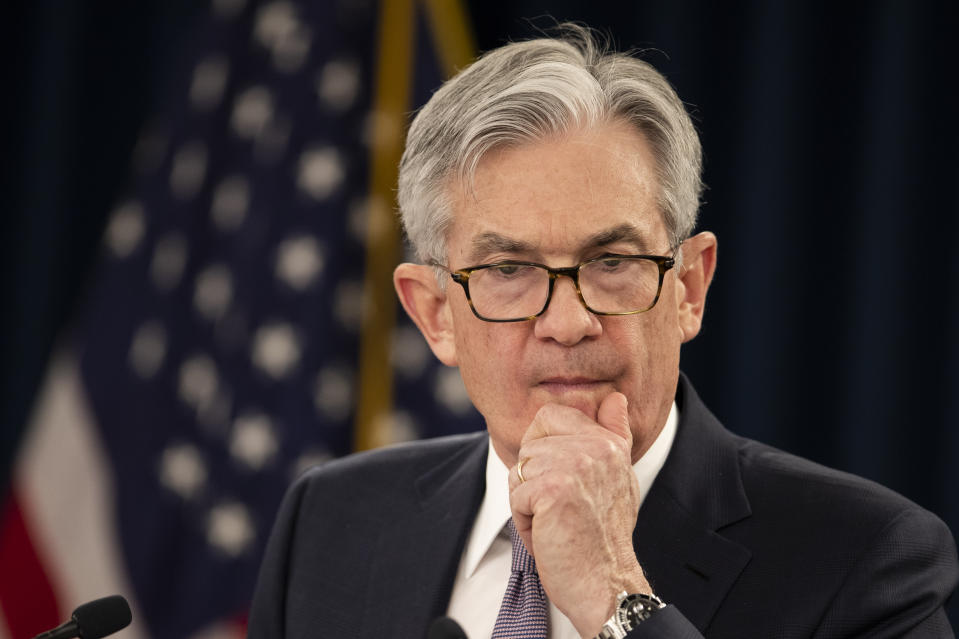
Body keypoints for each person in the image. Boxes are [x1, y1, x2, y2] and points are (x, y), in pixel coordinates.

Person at [248, 26, 957, 638]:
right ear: (434, 313)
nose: (566, 322)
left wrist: (616, 599)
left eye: (611, 262)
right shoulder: (331, 519)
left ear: (688, 286)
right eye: (508, 269)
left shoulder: (863, 558)